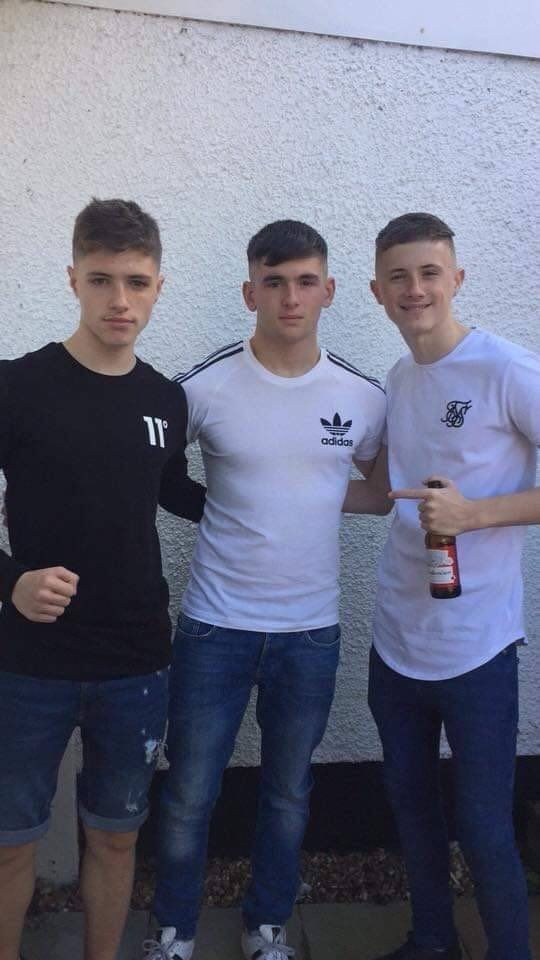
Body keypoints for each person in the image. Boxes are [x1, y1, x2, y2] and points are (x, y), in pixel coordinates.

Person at [145, 220, 388, 960]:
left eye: (305, 282)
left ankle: (267, 926)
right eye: (274, 282)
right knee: (189, 793)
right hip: (213, 627)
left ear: (329, 291)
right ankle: (173, 931)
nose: (290, 298)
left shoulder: (361, 394)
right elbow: (152, 468)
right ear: (250, 292)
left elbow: (380, 491)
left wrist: (309, 497)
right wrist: (218, 507)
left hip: (309, 634)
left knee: (288, 793)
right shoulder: (205, 386)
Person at [0, 198, 205, 960]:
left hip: (136, 662)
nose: (120, 300)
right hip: (31, 661)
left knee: (116, 841)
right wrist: (11, 581)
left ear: (158, 287)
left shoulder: (164, 399)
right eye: (101, 280)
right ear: (72, 280)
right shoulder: (18, 386)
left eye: (137, 282)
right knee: (10, 846)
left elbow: (174, 491)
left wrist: (281, 495)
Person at [355, 211, 539, 960]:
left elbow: (469, 508)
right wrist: (269, 484)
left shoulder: (506, 370)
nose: (415, 289)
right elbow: (378, 493)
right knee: (412, 810)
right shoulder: (399, 379)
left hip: (477, 649)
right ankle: (432, 941)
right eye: (398, 276)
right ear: (376, 291)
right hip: (397, 643)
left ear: (456, 278)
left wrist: (476, 514)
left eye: (429, 272)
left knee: (485, 827)